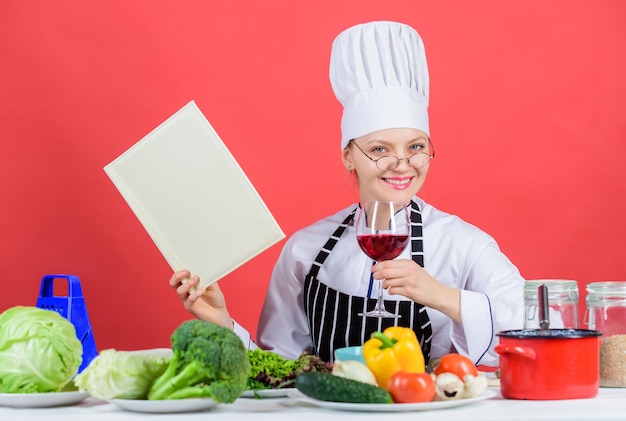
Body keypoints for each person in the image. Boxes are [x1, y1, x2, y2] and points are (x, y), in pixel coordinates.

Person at [170, 20, 524, 367]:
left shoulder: (464, 244)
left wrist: (443, 296)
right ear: (348, 156)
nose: (402, 164)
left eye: (416, 146)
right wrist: (224, 325)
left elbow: (530, 328)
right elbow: (277, 366)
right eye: (380, 149)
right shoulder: (305, 249)